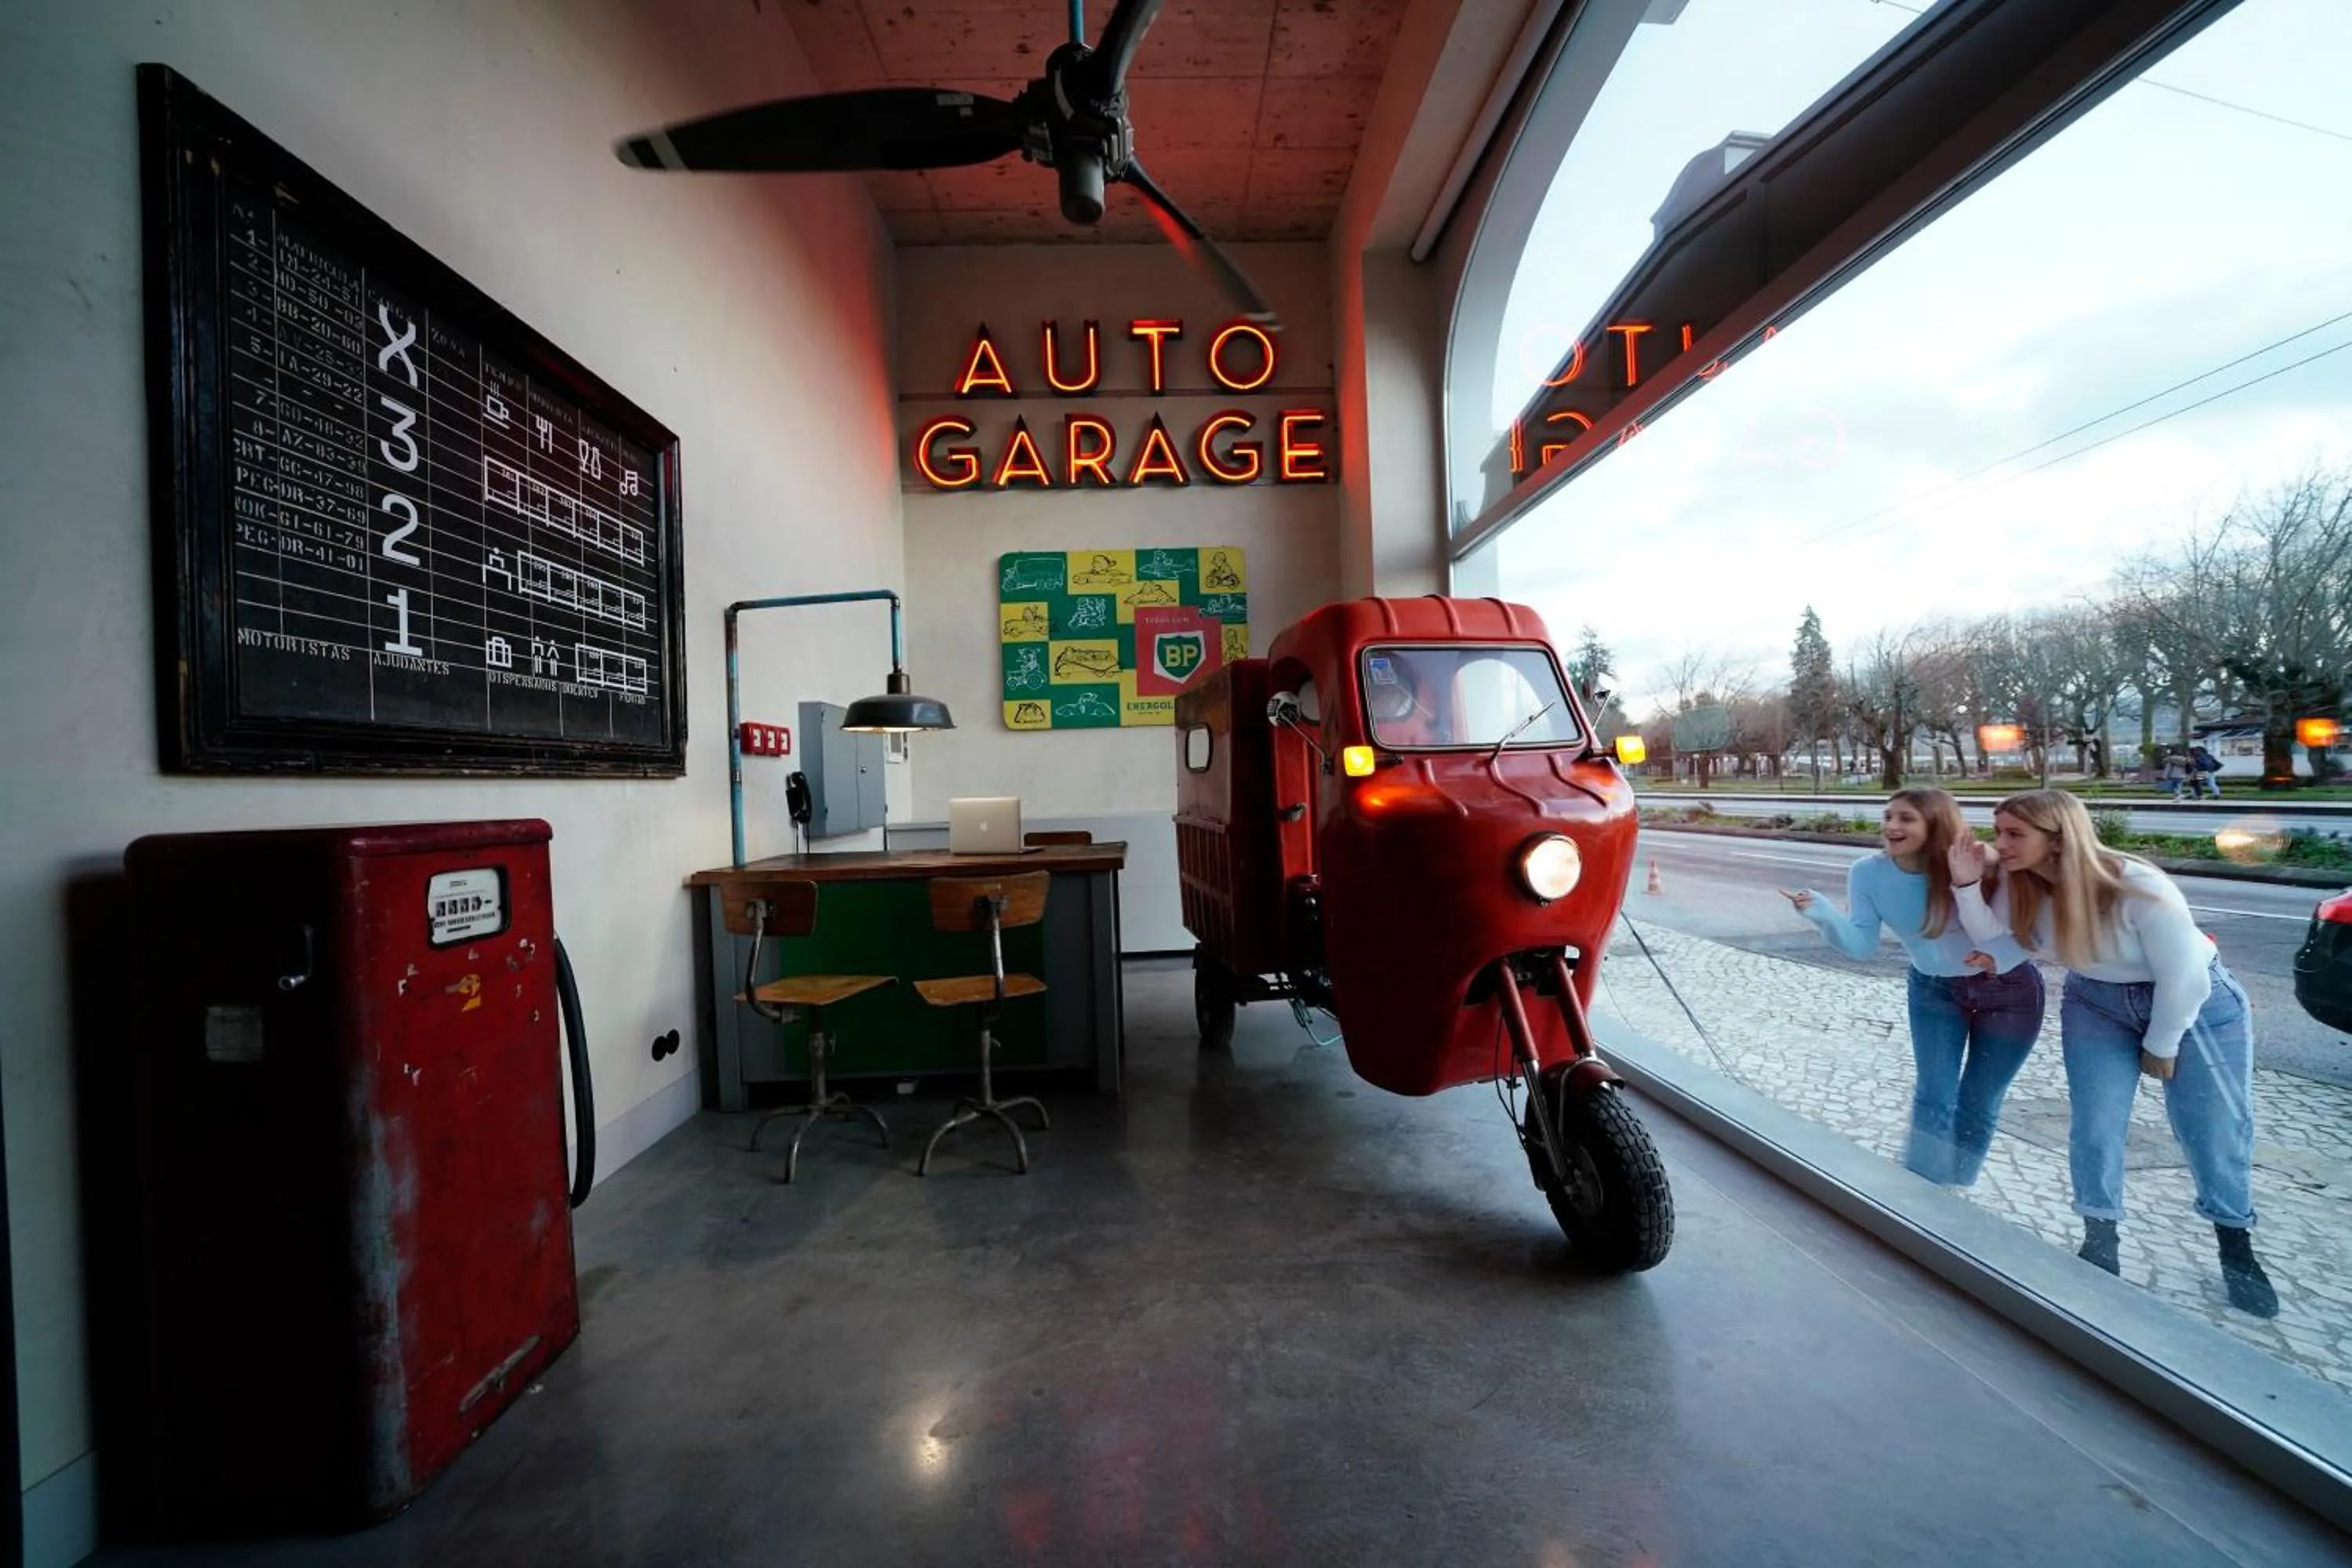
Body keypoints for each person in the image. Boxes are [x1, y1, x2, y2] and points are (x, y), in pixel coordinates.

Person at [1948, 789, 2276, 1317]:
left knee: (2212, 1130)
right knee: (2097, 1125)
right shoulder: (2025, 880)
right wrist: (1967, 884)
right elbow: (2002, 934)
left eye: (2015, 834)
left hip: (2197, 1004)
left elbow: (2184, 976)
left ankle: (2236, 1247)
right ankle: (2100, 1240)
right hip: (2097, 1002)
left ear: (2058, 840)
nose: (2000, 843)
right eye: (1999, 830)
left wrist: (2162, 1044)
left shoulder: (2134, 883)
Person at [1779, 789, 2043, 1189]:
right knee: (1934, 1095)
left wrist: (1985, 867)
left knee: (1979, 1100)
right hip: (1934, 991)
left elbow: (2031, 930)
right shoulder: (1868, 872)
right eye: (1888, 816)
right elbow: (1861, 946)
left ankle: (1956, 1188)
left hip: (2009, 992)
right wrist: (1823, 914)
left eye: (1906, 818)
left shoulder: (1971, 863)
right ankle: (1922, 1194)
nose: (1891, 826)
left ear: (1934, 825)